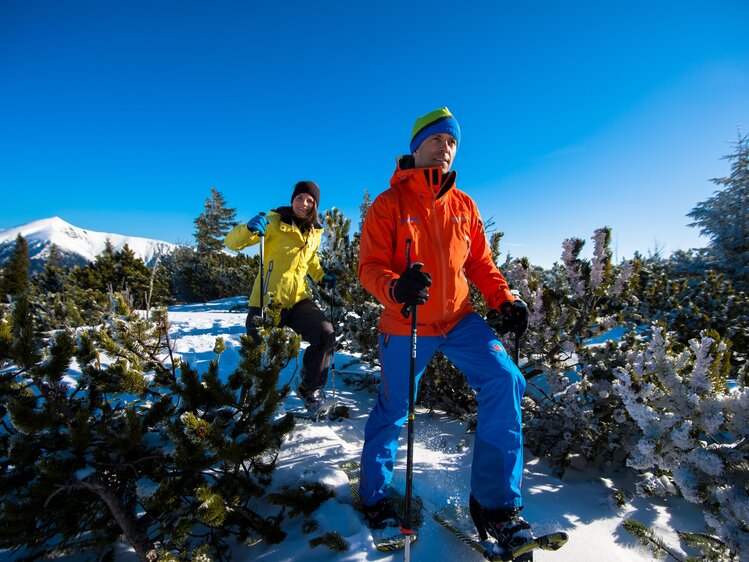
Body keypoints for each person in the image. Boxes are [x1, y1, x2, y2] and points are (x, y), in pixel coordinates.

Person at [357, 108, 532, 550]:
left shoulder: (464, 204)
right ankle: (374, 496)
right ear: (417, 147)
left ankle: (495, 505)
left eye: (452, 143)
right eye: (437, 140)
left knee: (506, 379)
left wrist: (503, 299)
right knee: (395, 408)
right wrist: (396, 287)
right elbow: (369, 268)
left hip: (459, 319)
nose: (445, 148)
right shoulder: (388, 205)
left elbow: (479, 263)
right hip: (407, 321)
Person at [224, 180, 336, 412]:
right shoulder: (273, 222)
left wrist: (321, 276)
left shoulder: (314, 232)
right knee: (257, 352)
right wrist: (248, 229)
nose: (303, 204)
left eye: (309, 201)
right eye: (299, 198)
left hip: (297, 300)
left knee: (325, 332)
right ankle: (248, 403)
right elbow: (232, 243)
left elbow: (311, 260)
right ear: (292, 199)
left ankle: (310, 388)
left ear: (315, 205)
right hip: (267, 299)